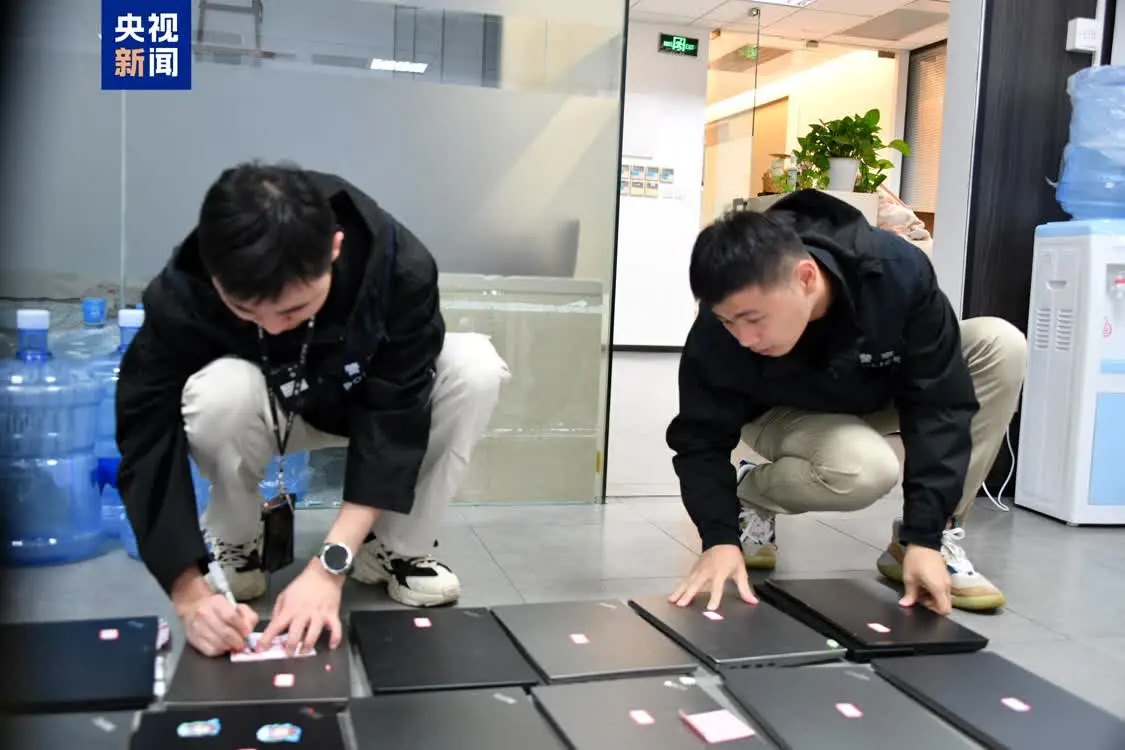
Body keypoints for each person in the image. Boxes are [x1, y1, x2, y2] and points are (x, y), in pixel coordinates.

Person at [116, 162, 510, 658]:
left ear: (334, 248)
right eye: (245, 312)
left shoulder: (399, 266)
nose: (273, 328)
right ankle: (238, 545)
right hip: (272, 409)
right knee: (216, 392)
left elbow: (396, 415)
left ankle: (392, 550)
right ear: (214, 275)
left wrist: (328, 568)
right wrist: (188, 594)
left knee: (474, 368)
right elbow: (145, 428)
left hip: (370, 402)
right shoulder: (185, 286)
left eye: (293, 310)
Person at [666, 190, 1027, 615]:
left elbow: (941, 403)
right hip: (779, 410)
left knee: (999, 343)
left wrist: (924, 535)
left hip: (873, 389)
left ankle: (929, 539)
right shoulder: (725, 318)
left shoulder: (896, 272)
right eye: (729, 322)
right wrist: (719, 537)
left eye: (754, 320)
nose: (744, 338)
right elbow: (701, 437)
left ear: (805, 277)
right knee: (864, 469)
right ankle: (750, 495)